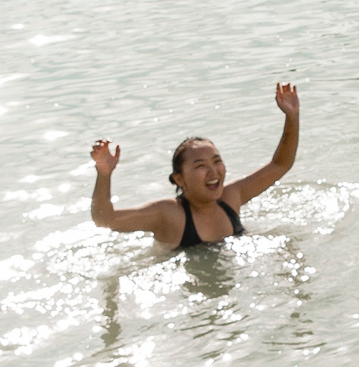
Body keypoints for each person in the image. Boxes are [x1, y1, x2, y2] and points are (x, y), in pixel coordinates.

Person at [89, 83, 301, 248]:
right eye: (200, 165)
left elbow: (280, 165)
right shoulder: (169, 214)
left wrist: (292, 117)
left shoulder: (231, 197)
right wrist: (104, 174)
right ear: (180, 179)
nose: (213, 171)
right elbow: (105, 221)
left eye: (217, 161)